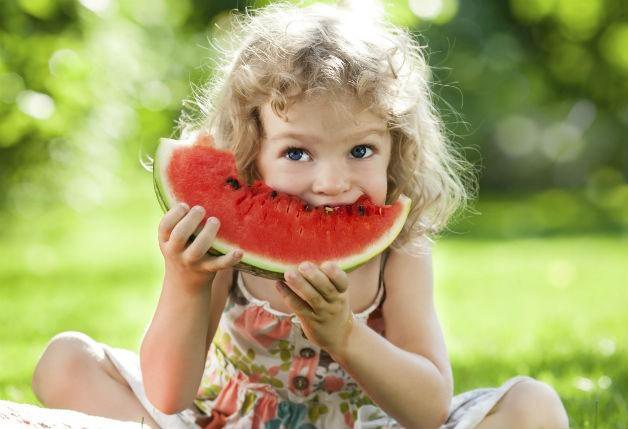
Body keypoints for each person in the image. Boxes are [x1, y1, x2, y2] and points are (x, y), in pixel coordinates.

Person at [30, 1, 570, 428]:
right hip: (227, 422)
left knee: (534, 407)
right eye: (296, 153)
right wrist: (186, 282)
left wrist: (344, 334)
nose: (332, 182)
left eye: (361, 151)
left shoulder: (400, 247)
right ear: (250, 154)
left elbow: (428, 410)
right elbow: (170, 394)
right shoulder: (226, 245)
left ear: (397, 150)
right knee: (65, 361)